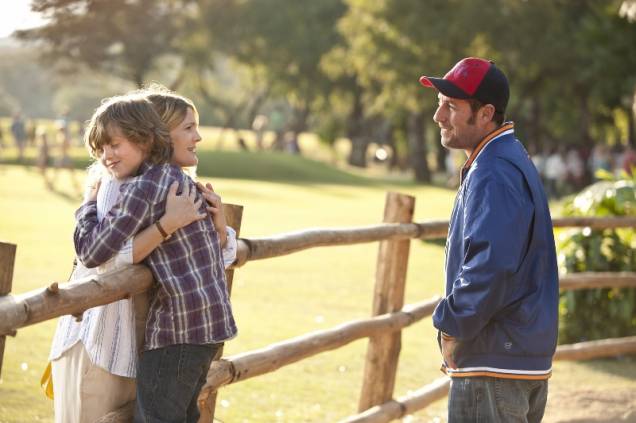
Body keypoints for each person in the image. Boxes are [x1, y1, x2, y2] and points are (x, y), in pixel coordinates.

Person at [49, 92, 237, 423]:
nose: (106, 157)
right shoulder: (177, 181)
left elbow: (92, 252)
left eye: (115, 145)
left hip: (178, 329)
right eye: (101, 149)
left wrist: (87, 205)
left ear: (147, 139)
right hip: (208, 325)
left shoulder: (148, 185)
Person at [419, 57, 559, 423]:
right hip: (513, 358)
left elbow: (490, 265)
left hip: (493, 361)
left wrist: (450, 327)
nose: (439, 117)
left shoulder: (493, 171)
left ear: (485, 115)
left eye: (451, 106)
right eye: (439, 105)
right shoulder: (506, 158)